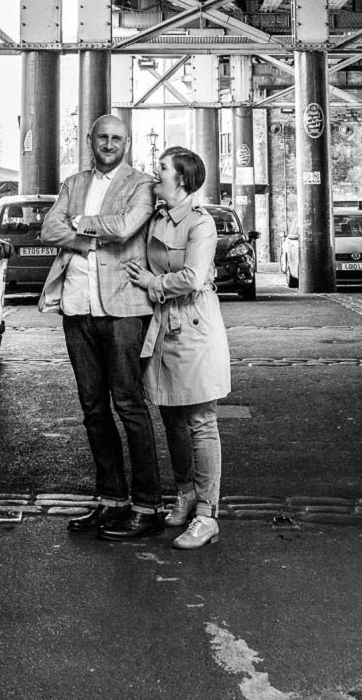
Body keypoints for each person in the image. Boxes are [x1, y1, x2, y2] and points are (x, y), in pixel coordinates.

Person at [38, 114, 165, 540]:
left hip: (124, 308)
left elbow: (127, 226)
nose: (109, 143)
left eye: (117, 138)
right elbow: (47, 229)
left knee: (129, 405)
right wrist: (91, 234)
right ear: (90, 140)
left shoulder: (142, 183)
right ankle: (111, 500)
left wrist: (78, 224)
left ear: (127, 143)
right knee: (93, 408)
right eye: (102, 137)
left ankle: (148, 506)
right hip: (77, 307)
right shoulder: (73, 184)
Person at [125, 145, 232, 551]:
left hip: (192, 323)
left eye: (163, 167)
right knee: (170, 414)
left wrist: (151, 283)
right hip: (163, 324)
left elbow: (191, 277)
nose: (157, 171)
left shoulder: (200, 224)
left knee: (201, 419)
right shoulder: (156, 216)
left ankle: (207, 514)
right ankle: (185, 492)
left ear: (182, 179)